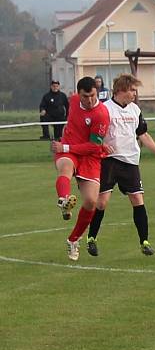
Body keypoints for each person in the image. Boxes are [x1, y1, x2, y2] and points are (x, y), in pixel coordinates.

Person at [86, 74, 155, 257]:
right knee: (102, 203)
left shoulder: (135, 110)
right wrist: (102, 146)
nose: (135, 93)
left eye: (135, 90)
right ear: (120, 90)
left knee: (137, 200)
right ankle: (91, 238)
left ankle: (145, 242)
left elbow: (143, 134)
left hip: (131, 162)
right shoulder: (105, 109)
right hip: (109, 161)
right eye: (132, 90)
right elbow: (93, 136)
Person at [51, 76, 111, 261]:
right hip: (68, 150)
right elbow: (71, 121)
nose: (90, 99)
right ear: (79, 95)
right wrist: (65, 142)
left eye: (93, 95)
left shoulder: (101, 114)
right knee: (65, 169)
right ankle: (63, 201)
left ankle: (73, 240)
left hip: (89, 157)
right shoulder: (73, 100)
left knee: (92, 202)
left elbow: (94, 147)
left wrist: (65, 147)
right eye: (86, 96)